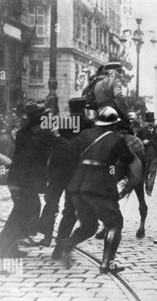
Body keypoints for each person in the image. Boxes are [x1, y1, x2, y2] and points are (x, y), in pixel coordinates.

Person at [55, 107, 138, 273]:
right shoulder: (117, 139)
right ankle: (107, 263)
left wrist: (57, 137)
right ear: (114, 124)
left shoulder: (85, 135)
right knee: (115, 223)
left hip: (76, 186)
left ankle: (66, 244)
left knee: (89, 225)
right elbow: (129, 159)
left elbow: (70, 150)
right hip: (99, 186)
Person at [0, 100, 56, 258]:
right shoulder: (41, 136)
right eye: (45, 115)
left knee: (27, 210)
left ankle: (10, 248)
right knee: (20, 215)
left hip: (18, 179)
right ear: (40, 119)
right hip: (24, 181)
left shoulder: (24, 133)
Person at [34, 98, 92, 248]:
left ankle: (47, 236)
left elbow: (44, 137)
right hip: (76, 171)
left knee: (51, 202)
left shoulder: (63, 122)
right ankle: (61, 242)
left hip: (57, 169)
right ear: (83, 109)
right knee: (70, 208)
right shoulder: (88, 124)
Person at [136, 112, 157, 196]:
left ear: (153, 122)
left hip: (154, 155)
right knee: (145, 173)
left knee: (153, 173)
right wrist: (142, 142)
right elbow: (137, 141)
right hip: (144, 155)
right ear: (146, 122)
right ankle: (147, 187)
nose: (150, 123)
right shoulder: (141, 131)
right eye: (148, 121)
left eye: (151, 121)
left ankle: (149, 189)